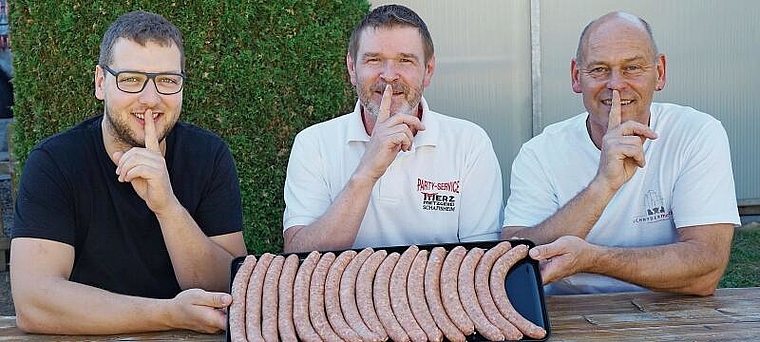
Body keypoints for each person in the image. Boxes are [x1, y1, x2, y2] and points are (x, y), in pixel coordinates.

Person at [10, 11, 247, 334]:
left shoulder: (208, 156)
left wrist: (167, 207)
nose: (150, 99)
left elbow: (231, 285)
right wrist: (169, 314)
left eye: (167, 80)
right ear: (100, 83)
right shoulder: (55, 162)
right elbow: (33, 302)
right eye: (131, 79)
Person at [502, 11, 740, 296]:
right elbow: (512, 260)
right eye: (599, 69)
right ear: (577, 77)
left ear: (659, 72)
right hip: (569, 317)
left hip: (669, 314)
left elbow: (706, 270)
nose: (615, 84)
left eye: (632, 68)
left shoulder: (696, 133)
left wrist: (594, 259)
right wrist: (603, 186)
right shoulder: (540, 152)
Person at [282, 4, 503, 253]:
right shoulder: (313, 144)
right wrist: (366, 173)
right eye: (374, 60)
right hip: (343, 293)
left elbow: (482, 259)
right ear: (352, 68)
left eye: (405, 60)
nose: (388, 75)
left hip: (437, 293)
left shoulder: (469, 143)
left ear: (428, 71)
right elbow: (297, 254)